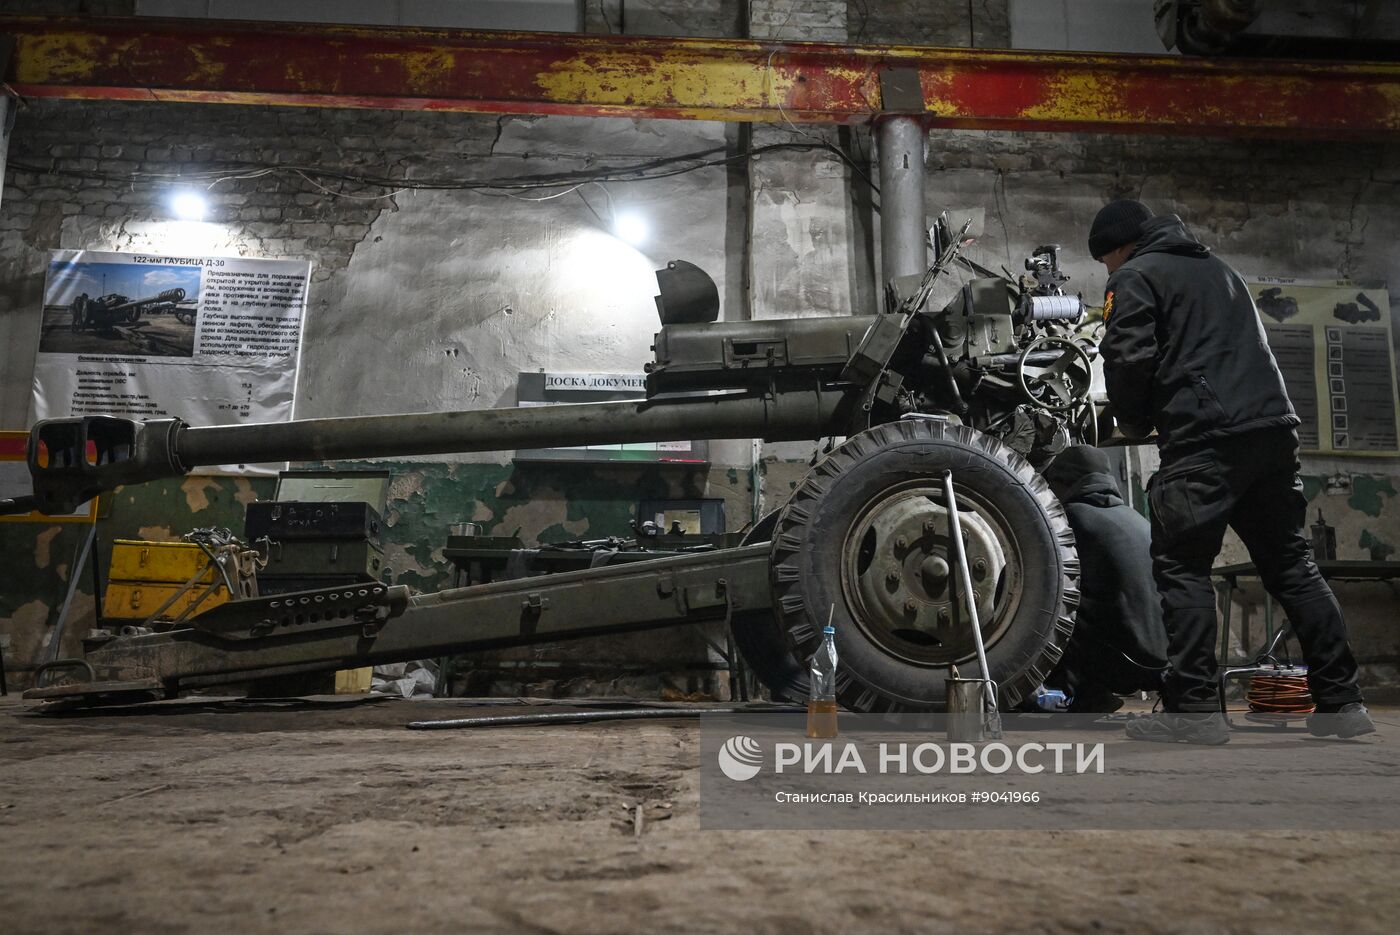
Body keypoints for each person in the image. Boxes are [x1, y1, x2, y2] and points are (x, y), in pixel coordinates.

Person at [1090, 199, 1373, 743]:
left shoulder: (1135, 275)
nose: (1108, 271)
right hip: (1272, 431)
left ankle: (1194, 710)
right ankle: (1343, 703)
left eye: (1105, 261)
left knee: (1183, 567)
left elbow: (1127, 356)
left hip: (1206, 438)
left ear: (1120, 247)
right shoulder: (1220, 270)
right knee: (1292, 566)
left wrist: (1132, 421)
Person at [1041, 445, 1167, 713]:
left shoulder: (1071, 518)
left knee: (1047, 603)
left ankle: (1085, 693)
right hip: (1165, 660)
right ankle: (1095, 695)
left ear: (1063, 482)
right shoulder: (1136, 518)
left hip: (1121, 661)